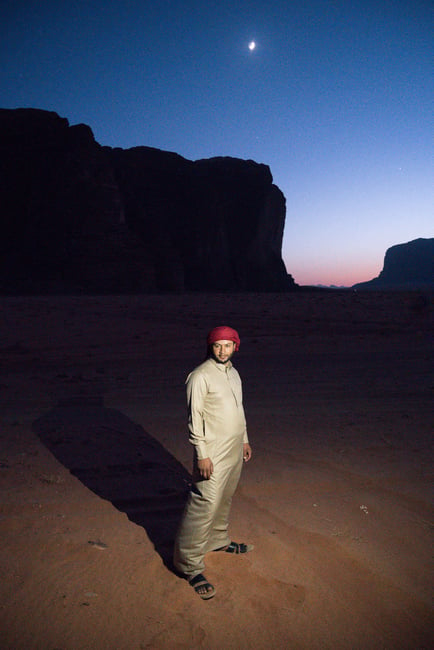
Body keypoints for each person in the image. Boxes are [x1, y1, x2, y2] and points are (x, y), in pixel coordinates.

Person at [173, 325, 253, 600]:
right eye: (217, 346)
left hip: (233, 447)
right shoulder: (199, 376)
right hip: (212, 450)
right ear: (210, 347)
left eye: (227, 345)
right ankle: (188, 565)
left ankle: (218, 540)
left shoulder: (234, 373)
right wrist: (202, 453)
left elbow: (239, 408)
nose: (222, 351)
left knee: (226, 496)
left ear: (235, 347)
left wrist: (244, 438)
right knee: (204, 500)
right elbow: (194, 419)